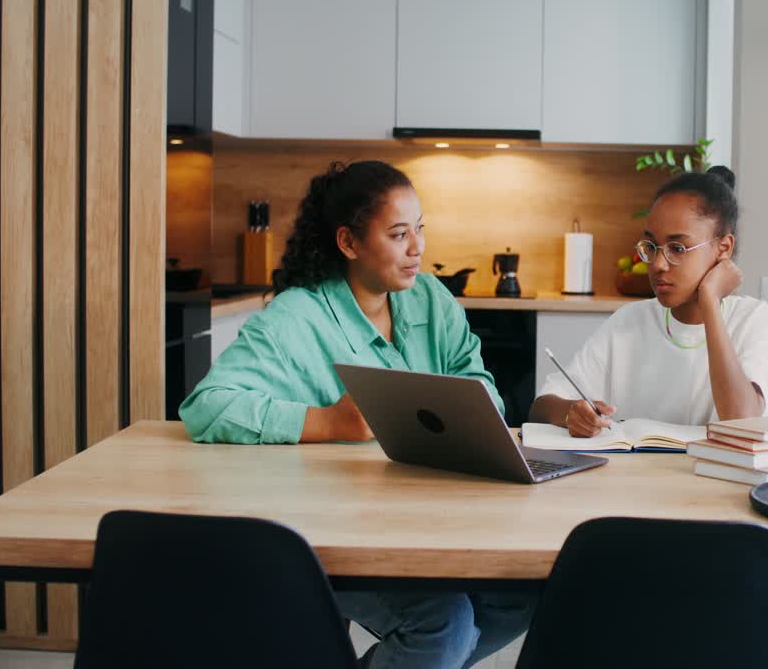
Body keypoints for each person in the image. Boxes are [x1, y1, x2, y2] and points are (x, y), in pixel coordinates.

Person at [180, 160, 534, 668]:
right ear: (348, 243)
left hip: (428, 527)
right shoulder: (296, 317)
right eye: (398, 234)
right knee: (444, 624)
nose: (418, 248)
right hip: (328, 535)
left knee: (527, 592)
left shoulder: (430, 298)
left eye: (420, 230)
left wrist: (468, 410)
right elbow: (205, 408)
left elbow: (477, 379)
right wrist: (327, 422)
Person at [528, 166, 768, 437]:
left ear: (723, 248)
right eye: (651, 247)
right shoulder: (629, 321)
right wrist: (572, 413)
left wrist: (710, 301)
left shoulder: (753, 319)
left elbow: (741, 421)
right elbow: (541, 407)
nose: (658, 264)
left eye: (678, 248)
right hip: (633, 477)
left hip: (715, 480)